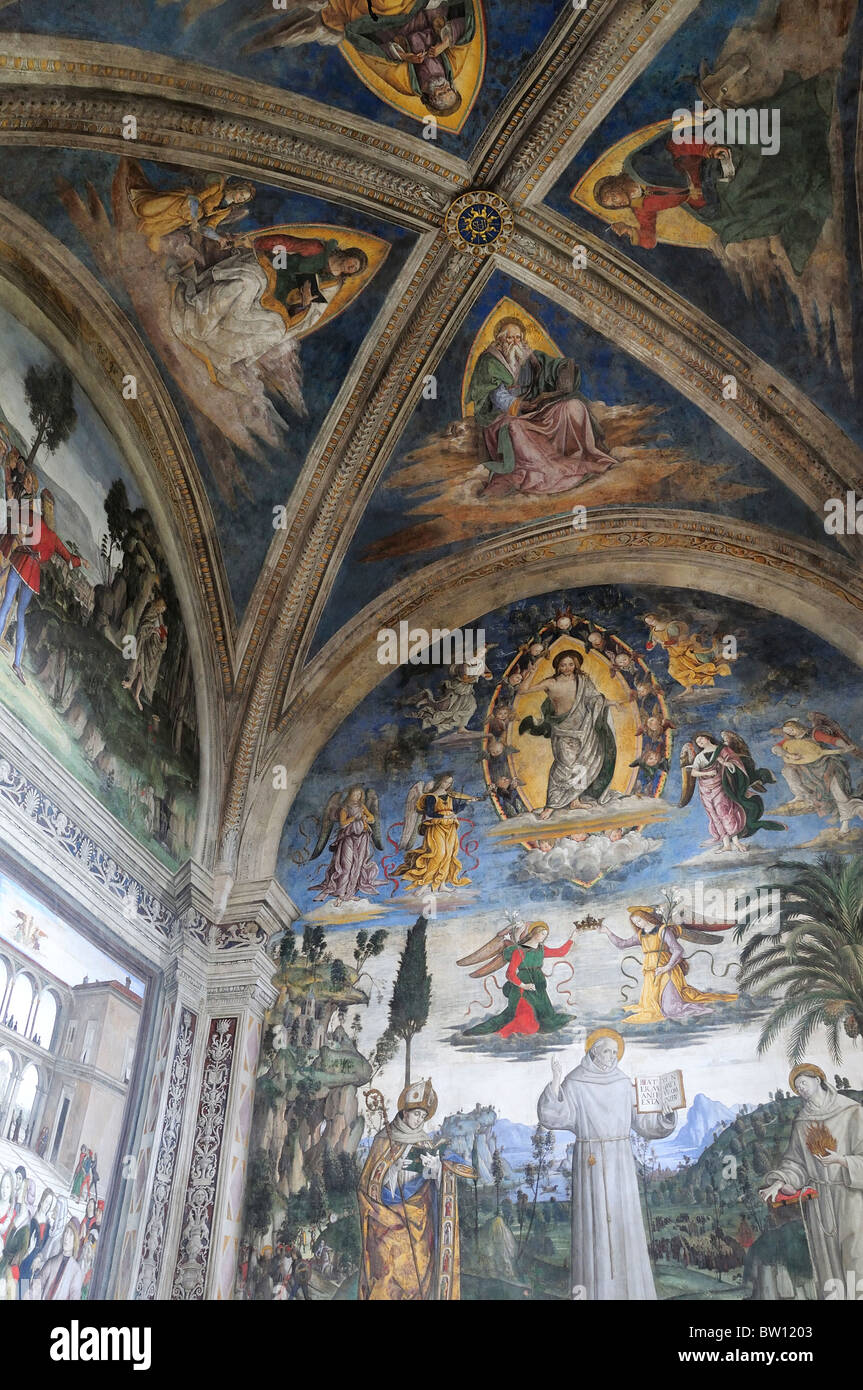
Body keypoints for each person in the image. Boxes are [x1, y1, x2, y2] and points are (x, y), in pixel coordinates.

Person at [537, 1029, 676, 1298]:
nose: (612, 1057)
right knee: (594, 1227)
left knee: (625, 1225)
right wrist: (555, 1082)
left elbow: (644, 1123)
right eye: (606, 1051)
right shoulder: (575, 1083)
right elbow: (553, 1116)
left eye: (615, 1052)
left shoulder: (624, 1083)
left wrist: (665, 1117)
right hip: (590, 1161)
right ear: (593, 1053)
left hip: (621, 1161)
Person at [466, 317, 615, 495]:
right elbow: (498, 396)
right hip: (503, 417)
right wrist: (521, 405)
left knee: (573, 406)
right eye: (510, 338)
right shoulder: (489, 362)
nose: (515, 342)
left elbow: (553, 367)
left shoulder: (530, 357)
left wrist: (564, 371)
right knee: (515, 427)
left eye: (518, 338)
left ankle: (582, 455)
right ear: (499, 340)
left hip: (534, 411)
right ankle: (551, 469)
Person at [357, 1078, 472, 1300]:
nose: (419, 1120)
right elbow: (367, 1186)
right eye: (416, 1113)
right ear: (405, 1111)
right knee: (387, 1276)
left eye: (423, 1116)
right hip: (385, 1223)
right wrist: (392, 1171)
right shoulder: (383, 1141)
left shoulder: (425, 1142)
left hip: (420, 1223)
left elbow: (432, 1187)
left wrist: (436, 1169)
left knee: (417, 1278)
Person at [759, 1064, 863, 1297]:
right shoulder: (802, 1122)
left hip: (850, 1197)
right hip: (819, 1202)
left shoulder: (852, 1112)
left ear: (818, 1079)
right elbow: (795, 1164)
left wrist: (843, 1161)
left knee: (857, 1257)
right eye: (797, 1088)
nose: (801, 1090)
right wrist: (780, 1181)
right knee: (827, 1263)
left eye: (803, 1083)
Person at [516, 649, 619, 818]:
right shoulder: (551, 683)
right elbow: (522, 691)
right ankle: (551, 804)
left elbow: (594, 699)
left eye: (571, 664)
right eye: (563, 665)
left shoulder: (583, 680)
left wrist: (610, 702)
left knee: (581, 765)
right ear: (558, 666)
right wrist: (530, 674)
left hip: (584, 730)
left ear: (576, 664)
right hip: (562, 730)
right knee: (563, 767)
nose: (567, 668)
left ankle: (574, 800)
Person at [0, 489, 86, 685]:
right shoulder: (39, 523)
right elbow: (70, 560)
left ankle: (17, 662)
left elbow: (69, 559)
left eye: (50, 507)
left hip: (25, 564)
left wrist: (81, 561)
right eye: (48, 506)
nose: (49, 510)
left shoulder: (43, 526)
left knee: (11, 606)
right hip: (28, 567)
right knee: (13, 608)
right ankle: (16, 662)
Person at [603, 906, 737, 1024]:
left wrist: (666, 967)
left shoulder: (663, 930)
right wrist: (607, 932)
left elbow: (678, 950)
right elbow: (622, 944)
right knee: (651, 1007)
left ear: (646, 917)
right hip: (652, 972)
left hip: (667, 971)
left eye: (639, 920)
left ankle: (700, 1010)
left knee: (671, 1010)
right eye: (635, 922)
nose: (638, 924)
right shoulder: (640, 935)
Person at [461, 921, 575, 1037]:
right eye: (542, 933)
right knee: (525, 1023)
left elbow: (560, 952)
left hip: (538, 988)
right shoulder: (519, 951)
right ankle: (486, 1030)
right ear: (534, 933)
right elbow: (510, 974)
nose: (544, 937)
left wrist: (574, 936)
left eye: (546, 935)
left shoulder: (541, 949)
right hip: (522, 989)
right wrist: (523, 985)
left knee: (547, 1019)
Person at [681, 731, 785, 851]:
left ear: (708, 738)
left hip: (721, 785)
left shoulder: (721, 749)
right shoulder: (699, 756)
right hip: (705, 788)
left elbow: (734, 762)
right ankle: (726, 845)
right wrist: (707, 773)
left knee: (725, 812)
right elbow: (694, 772)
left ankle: (736, 842)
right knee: (714, 815)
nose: (700, 743)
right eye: (698, 742)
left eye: (701, 739)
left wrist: (727, 764)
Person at [395, 772, 483, 891]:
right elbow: (430, 813)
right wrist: (444, 817)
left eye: (450, 783)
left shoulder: (450, 796)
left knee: (448, 854)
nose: (447, 784)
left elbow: (455, 809)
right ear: (440, 781)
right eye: (446, 781)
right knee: (438, 854)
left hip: (450, 827)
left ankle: (441, 884)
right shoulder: (431, 797)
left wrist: (467, 802)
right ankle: (425, 883)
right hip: (436, 827)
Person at [129, 175, 255, 254]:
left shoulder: (226, 210)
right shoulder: (218, 188)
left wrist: (219, 239)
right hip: (181, 203)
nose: (241, 199)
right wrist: (195, 218)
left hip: (183, 219)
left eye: (244, 199)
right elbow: (195, 199)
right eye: (242, 195)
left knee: (146, 230)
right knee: (143, 209)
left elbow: (209, 227)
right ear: (237, 189)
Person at [311, 786, 383, 904]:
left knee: (357, 865)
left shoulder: (362, 806)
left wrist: (366, 818)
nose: (357, 797)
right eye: (355, 794)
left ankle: (349, 894)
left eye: (359, 795)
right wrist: (354, 818)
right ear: (350, 795)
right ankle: (340, 892)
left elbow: (372, 819)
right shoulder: (344, 808)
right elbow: (343, 824)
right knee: (346, 866)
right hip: (348, 838)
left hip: (362, 838)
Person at [122, 597, 168, 712]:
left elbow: (163, 633)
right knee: (138, 666)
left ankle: (137, 695)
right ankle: (130, 683)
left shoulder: (159, 617)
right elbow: (144, 624)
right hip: (145, 643)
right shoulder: (151, 610)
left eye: (163, 610)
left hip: (152, 649)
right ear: (159, 605)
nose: (162, 611)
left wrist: (161, 635)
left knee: (144, 673)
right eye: (162, 608)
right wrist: (153, 630)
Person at [39, 1220, 83, 1301]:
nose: (66, 1237)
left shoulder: (76, 1271)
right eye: (66, 1232)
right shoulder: (51, 1262)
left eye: (70, 1234)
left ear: (75, 1241)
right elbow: (36, 1286)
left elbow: (75, 1296)